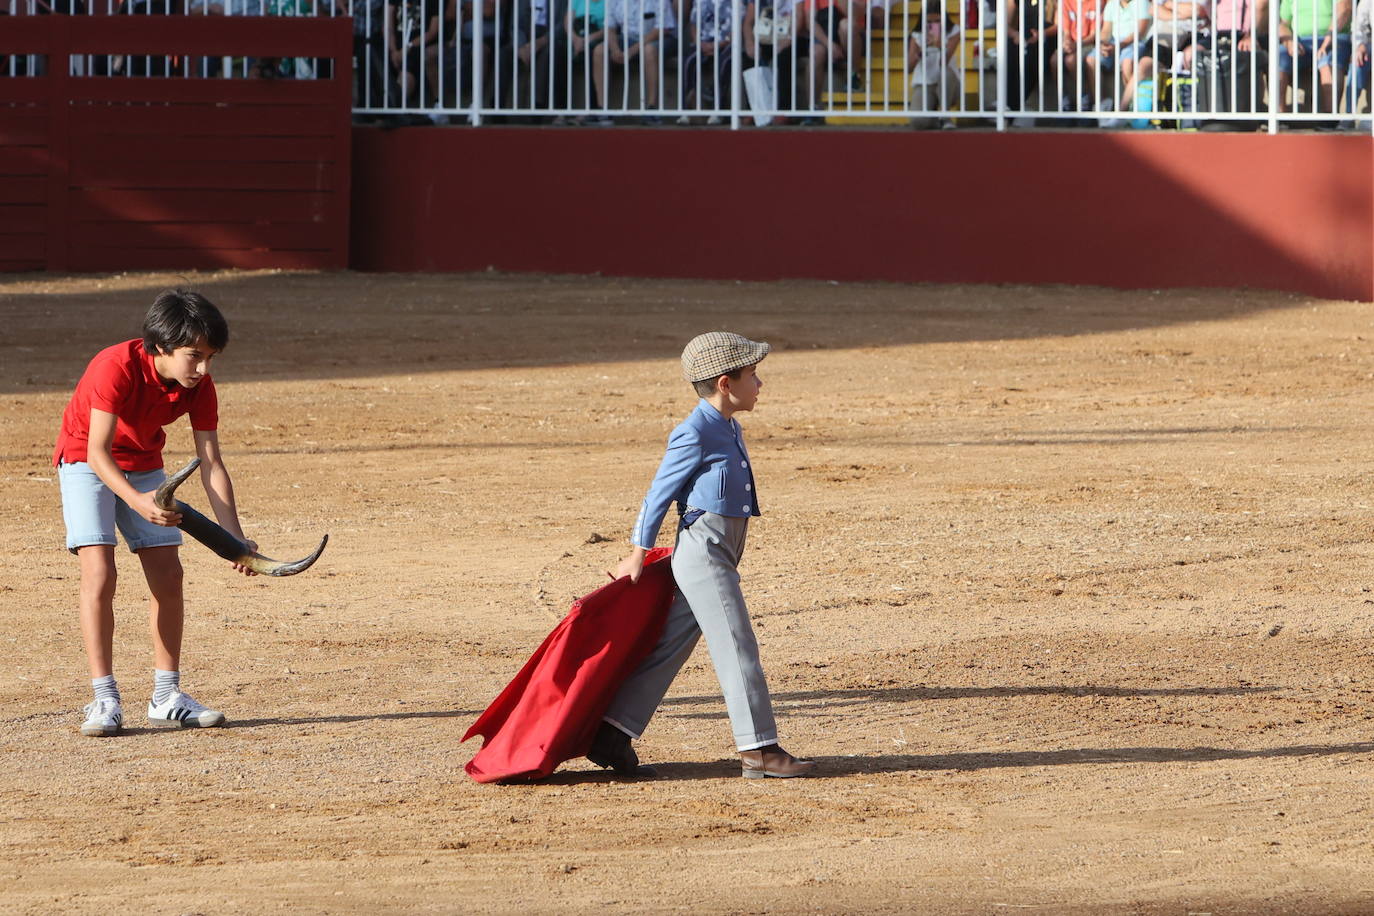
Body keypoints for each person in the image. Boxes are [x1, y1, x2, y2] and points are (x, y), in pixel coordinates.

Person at [589, 332, 816, 780]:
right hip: (705, 551)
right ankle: (759, 750)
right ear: (725, 383)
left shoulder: (728, 425)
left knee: (670, 644)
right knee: (737, 644)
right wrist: (637, 554)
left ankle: (609, 732)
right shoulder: (692, 431)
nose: (760, 383)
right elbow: (659, 494)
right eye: (753, 375)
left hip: (720, 548)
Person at [54, 290, 257, 738]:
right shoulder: (116, 366)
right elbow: (98, 452)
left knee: (168, 575)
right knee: (100, 573)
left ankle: (167, 697)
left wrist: (234, 540)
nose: (203, 368)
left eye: (210, 357)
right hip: (87, 462)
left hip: (145, 464)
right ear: (161, 346)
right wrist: (137, 501)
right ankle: (104, 698)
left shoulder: (199, 385)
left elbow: (212, 463)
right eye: (194, 356)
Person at [592, 0, 678, 122]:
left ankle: (652, 108)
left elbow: (663, 29)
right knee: (599, 50)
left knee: (649, 50)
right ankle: (602, 109)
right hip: (628, 38)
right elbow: (609, 28)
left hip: (661, 38)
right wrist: (615, 49)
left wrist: (632, 50)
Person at [1276, 0, 1351, 113]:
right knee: (1278, 58)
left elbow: (1345, 9)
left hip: (1335, 36)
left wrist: (1329, 36)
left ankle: (1329, 118)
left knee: (1328, 60)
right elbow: (1282, 24)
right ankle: (1278, 117)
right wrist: (1289, 42)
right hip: (1301, 41)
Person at [1088, 0, 1152, 118]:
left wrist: (1118, 46)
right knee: (1091, 59)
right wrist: (1103, 44)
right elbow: (1106, 30)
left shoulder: (1142, 2)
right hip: (1113, 43)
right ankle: (1100, 105)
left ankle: (1131, 106)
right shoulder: (1112, 4)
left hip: (1135, 42)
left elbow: (1140, 32)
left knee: (1127, 63)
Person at [1005, 0, 1060, 118]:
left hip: (1046, 36)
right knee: (1009, 48)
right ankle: (1006, 104)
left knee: (1032, 53)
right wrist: (1015, 34)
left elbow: (1058, 25)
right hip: (1022, 36)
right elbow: (1005, 24)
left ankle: (1014, 107)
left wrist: (1042, 33)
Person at [1051, 0, 1103, 112]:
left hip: (1087, 44)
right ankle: (1064, 101)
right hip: (1071, 43)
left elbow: (1094, 35)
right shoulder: (1066, 2)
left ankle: (1084, 99)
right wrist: (1067, 42)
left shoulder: (1096, 2)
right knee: (1054, 61)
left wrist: (1077, 45)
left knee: (1071, 61)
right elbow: (1066, 32)